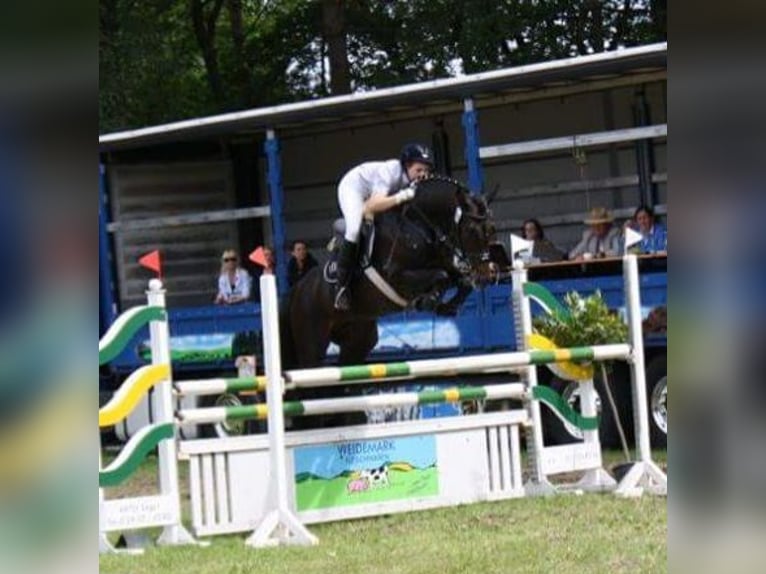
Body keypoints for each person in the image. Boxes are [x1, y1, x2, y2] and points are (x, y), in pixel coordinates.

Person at [333, 142, 434, 311]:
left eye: (426, 171)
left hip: (376, 195)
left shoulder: (414, 182)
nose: (422, 175)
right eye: (419, 170)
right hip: (354, 188)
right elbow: (372, 206)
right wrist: (403, 196)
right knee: (354, 228)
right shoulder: (390, 171)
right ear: (407, 166)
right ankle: (341, 286)